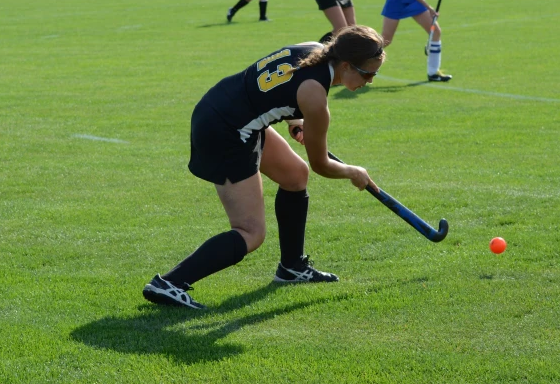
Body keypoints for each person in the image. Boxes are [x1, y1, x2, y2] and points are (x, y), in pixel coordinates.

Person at [142, 25, 385, 309]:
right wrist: (353, 171)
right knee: (251, 232)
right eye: (368, 74)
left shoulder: (313, 49)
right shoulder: (315, 97)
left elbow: (276, 89)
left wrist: (294, 119)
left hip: (223, 106)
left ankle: (292, 268)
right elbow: (321, 164)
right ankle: (170, 283)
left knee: (295, 175)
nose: (369, 81)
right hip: (227, 131)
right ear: (346, 65)